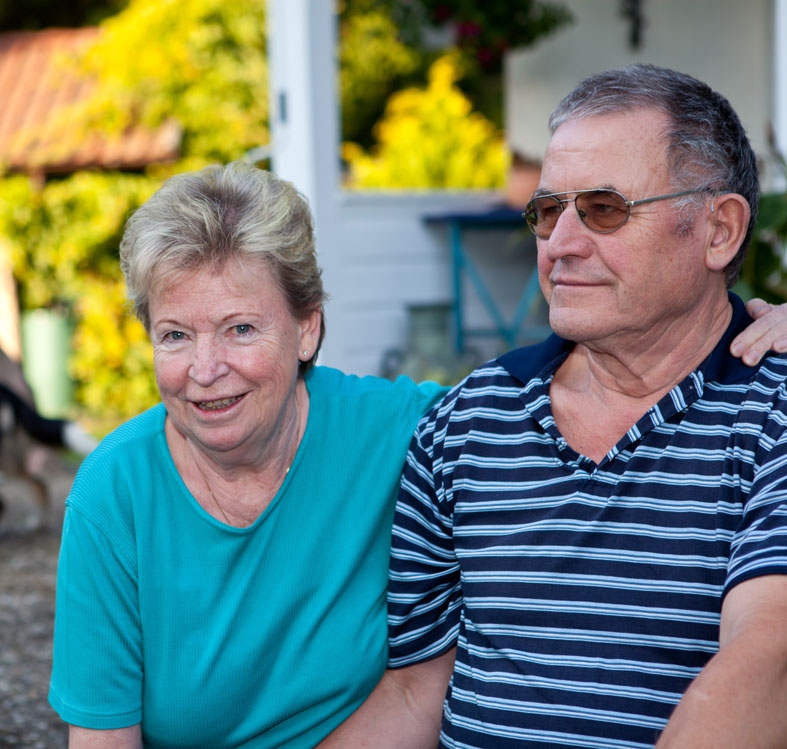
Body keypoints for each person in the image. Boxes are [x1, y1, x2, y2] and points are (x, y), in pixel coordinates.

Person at [50, 160, 787, 748]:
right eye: (175, 334)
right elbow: (102, 735)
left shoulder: (414, 430)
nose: (204, 367)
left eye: (241, 328)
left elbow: (578, 395)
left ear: (307, 329)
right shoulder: (115, 490)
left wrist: (745, 323)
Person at [325, 64, 787, 748]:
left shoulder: (769, 413)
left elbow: (767, 660)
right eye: (548, 211)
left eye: (603, 209)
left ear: (718, 231)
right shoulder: (467, 420)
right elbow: (417, 687)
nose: (559, 245)